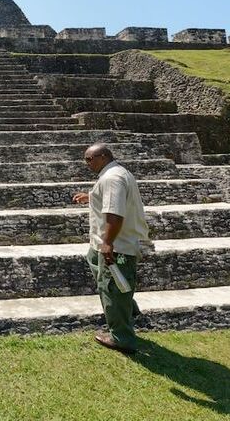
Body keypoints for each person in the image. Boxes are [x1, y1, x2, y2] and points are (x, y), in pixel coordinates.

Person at [72, 143, 150, 354]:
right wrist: (92, 197)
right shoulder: (114, 174)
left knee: (111, 286)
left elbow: (115, 215)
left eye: (90, 159)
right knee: (99, 270)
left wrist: (108, 243)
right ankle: (126, 308)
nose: (87, 163)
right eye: (85, 159)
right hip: (104, 243)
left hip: (117, 245)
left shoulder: (112, 178)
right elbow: (110, 200)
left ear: (104, 156)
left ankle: (122, 337)